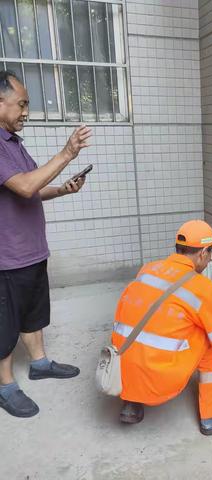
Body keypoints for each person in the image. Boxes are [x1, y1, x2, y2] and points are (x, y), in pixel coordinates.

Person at [112, 219, 212, 434]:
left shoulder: (148, 269)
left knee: (145, 328)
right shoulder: (202, 287)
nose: (209, 259)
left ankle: (131, 402)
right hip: (159, 380)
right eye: (211, 253)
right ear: (203, 253)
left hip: (118, 372)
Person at [0, 70, 92, 418]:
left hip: (31, 251)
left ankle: (39, 363)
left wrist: (62, 188)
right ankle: (6, 386)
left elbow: (33, 187)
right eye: (21, 104)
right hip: (6, 256)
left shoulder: (13, 144)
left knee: (33, 314)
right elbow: (23, 186)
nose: (25, 111)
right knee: (4, 323)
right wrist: (67, 152)